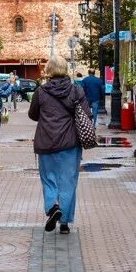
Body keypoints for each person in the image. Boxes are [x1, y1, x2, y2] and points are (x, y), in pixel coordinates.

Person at [28, 55, 88, 235]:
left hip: (46, 141)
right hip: (70, 143)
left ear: (48, 71)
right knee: (68, 182)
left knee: (48, 179)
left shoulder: (41, 91)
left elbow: (33, 114)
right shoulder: (76, 91)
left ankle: (53, 207)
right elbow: (86, 115)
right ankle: (64, 224)